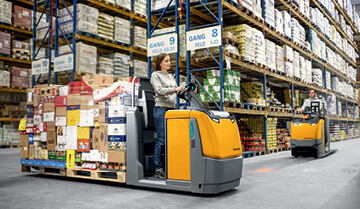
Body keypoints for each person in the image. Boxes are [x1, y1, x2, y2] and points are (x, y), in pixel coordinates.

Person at [150, 53, 185, 179]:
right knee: (161, 139)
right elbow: (159, 90)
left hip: (171, 110)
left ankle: (169, 166)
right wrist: (175, 90)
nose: (169, 63)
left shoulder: (170, 76)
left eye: (169, 61)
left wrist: (185, 89)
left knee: (171, 140)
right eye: (166, 61)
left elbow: (176, 90)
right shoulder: (155, 75)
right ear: (160, 63)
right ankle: (158, 169)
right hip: (161, 109)